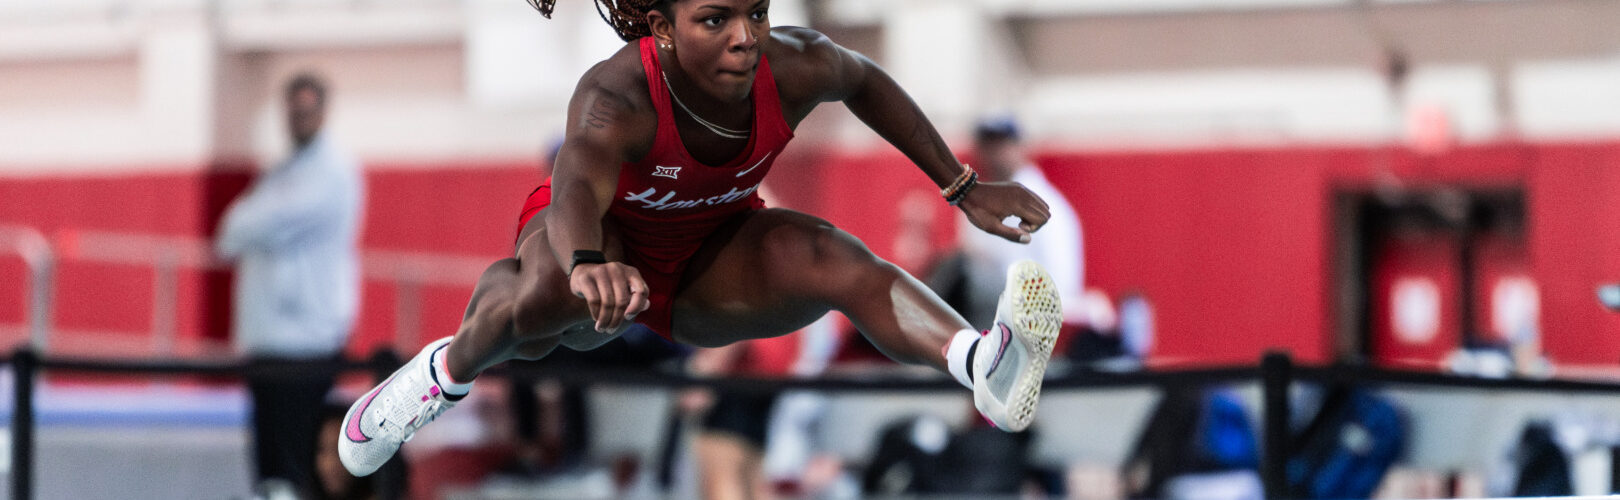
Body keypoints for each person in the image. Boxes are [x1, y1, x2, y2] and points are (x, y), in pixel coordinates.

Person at [338, 0, 1064, 478]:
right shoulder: (616, 95)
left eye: (755, 12)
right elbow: (576, 186)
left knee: (832, 256)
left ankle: (982, 365)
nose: (744, 38)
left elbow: (865, 81)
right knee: (541, 306)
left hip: (708, 257)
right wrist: (586, 261)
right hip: (598, 240)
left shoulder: (794, 64)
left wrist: (962, 186)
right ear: (662, 27)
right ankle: (442, 374)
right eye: (715, 19)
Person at [216, 72, 365, 496]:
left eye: (307, 110)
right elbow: (230, 232)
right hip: (268, 340)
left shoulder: (333, 173)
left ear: (323, 112)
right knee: (269, 474)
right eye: (292, 110)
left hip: (307, 343)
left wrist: (252, 219)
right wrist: (251, 220)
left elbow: (248, 225)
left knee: (300, 468)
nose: (298, 118)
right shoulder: (281, 171)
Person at [952, 116, 1084, 332]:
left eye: (1002, 143)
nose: (995, 153)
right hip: (987, 323)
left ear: (1020, 146)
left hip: (1030, 325)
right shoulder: (974, 202)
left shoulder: (1045, 203)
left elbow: (1062, 287)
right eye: (988, 144)